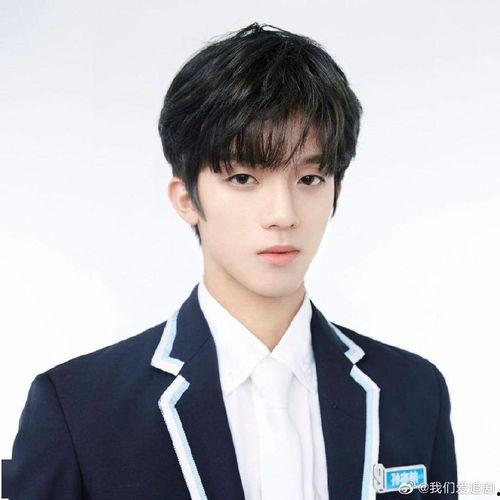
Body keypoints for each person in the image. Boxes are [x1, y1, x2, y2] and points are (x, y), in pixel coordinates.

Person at [2, 22, 457, 500]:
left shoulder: (414, 391)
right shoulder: (77, 408)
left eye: (309, 179)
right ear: (186, 199)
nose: (283, 214)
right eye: (243, 178)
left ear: (336, 192)